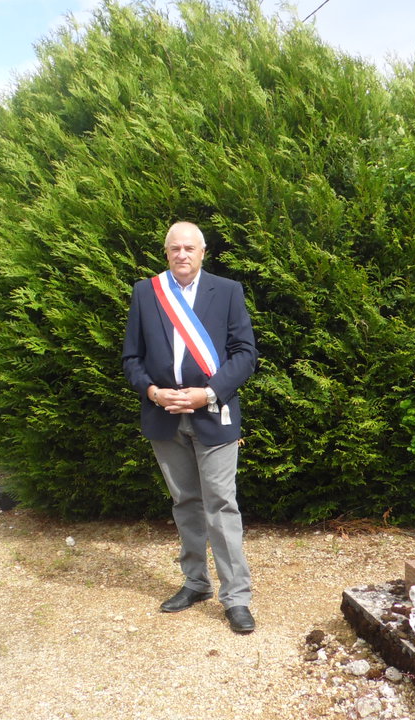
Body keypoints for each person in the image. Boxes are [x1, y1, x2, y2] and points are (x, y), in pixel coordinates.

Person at [122, 221, 259, 634]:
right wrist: (152, 392)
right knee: (185, 503)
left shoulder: (228, 291)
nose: (182, 254)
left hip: (213, 413)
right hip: (164, 416)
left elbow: (245, 354)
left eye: (189, 248)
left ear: (202, 252)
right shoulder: (146, 292)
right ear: (166, 253)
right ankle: (195, 583)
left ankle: (236, 597)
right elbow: (132, 358)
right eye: (174, 248)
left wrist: (208, 393)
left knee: (221, 504)